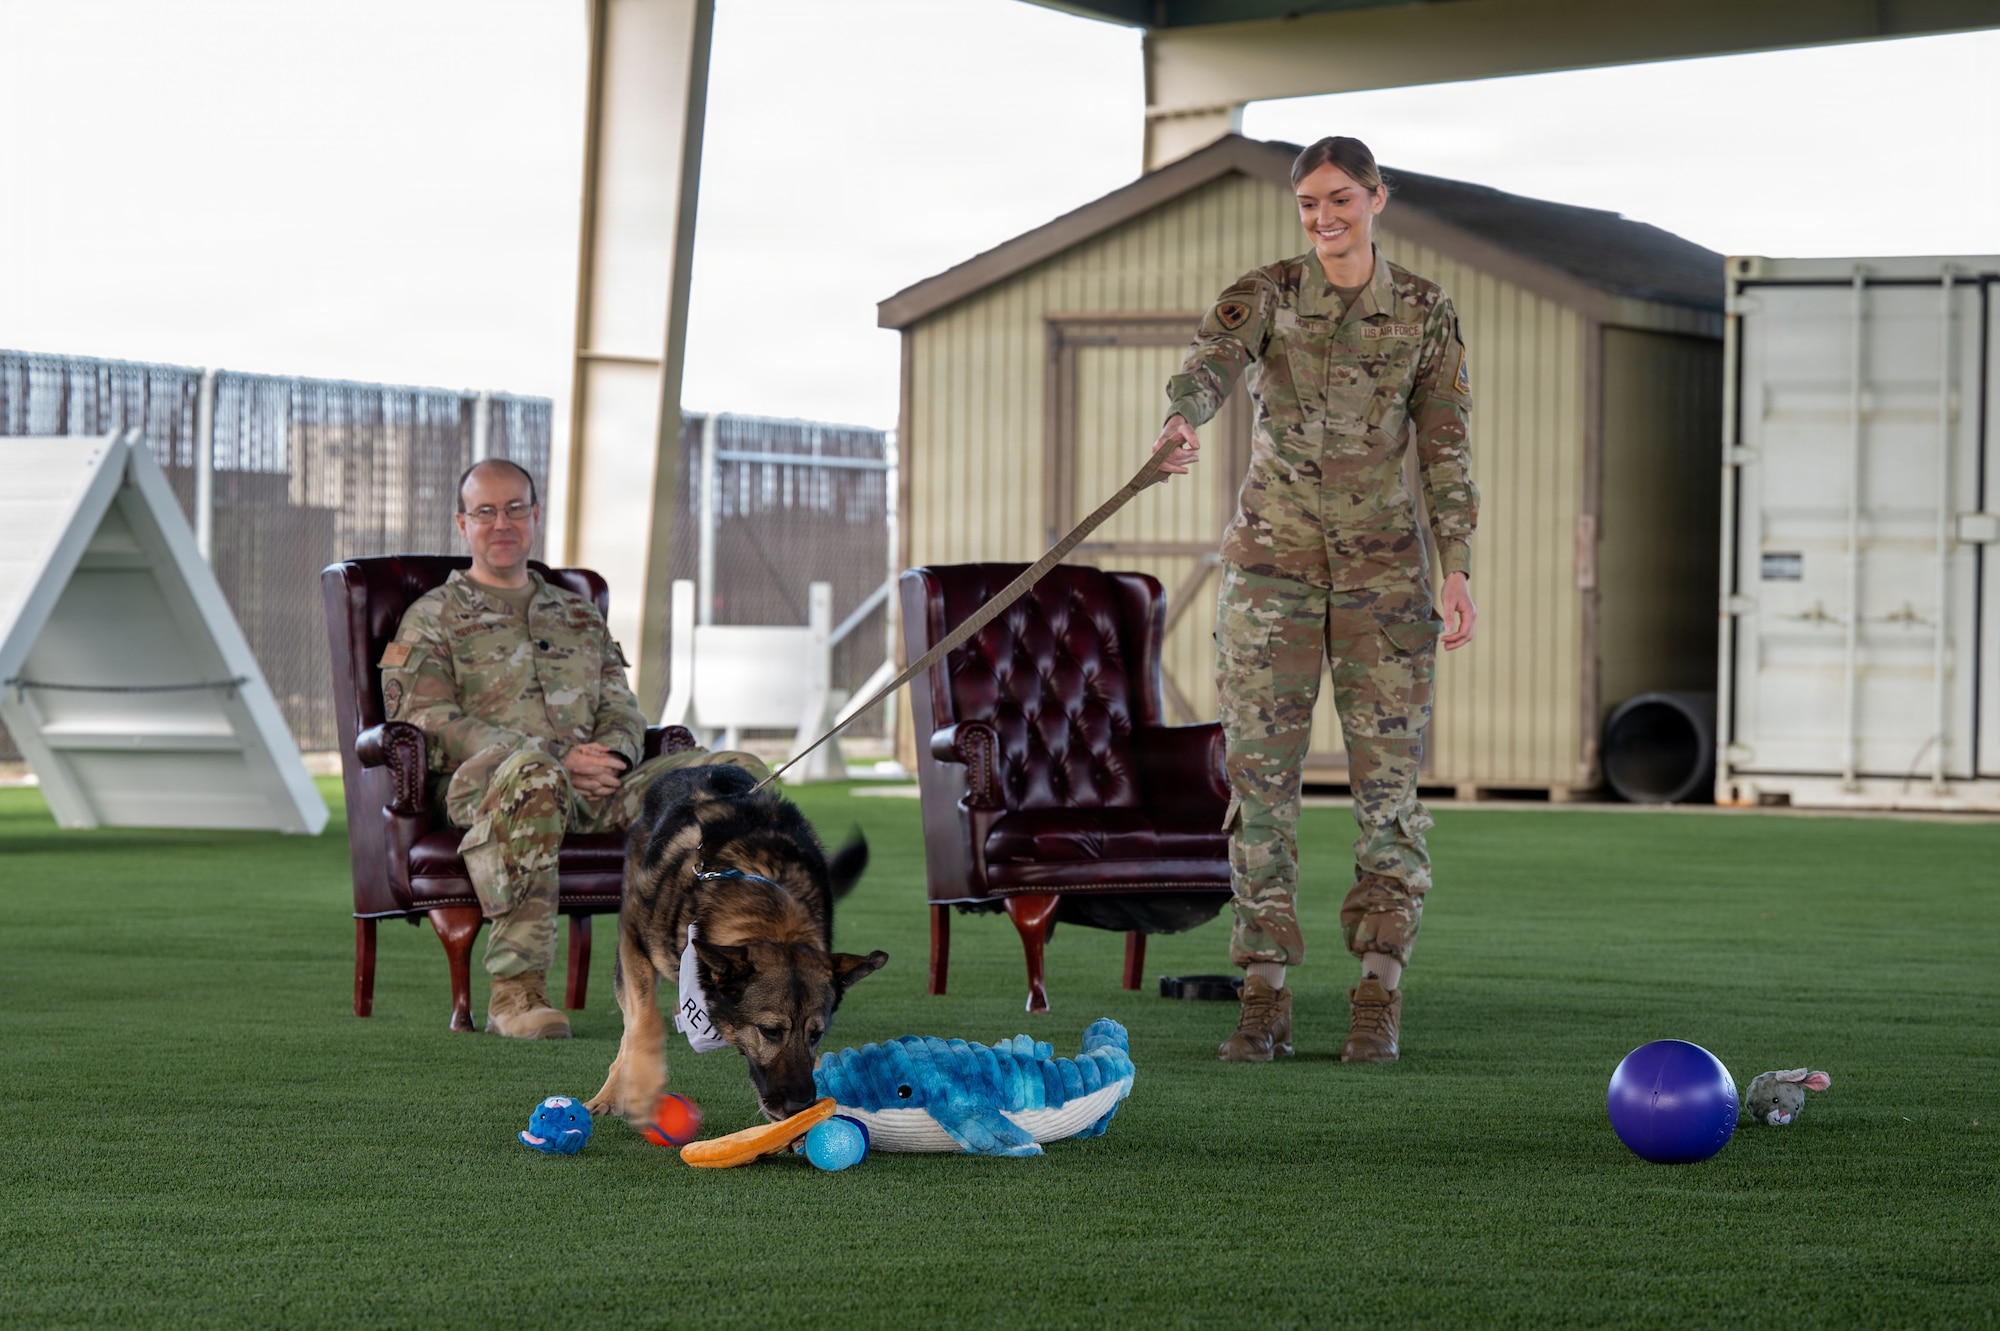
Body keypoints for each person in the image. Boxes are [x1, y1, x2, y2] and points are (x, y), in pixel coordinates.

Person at [1151, 136, 1479, 1064]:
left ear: (1378, 197)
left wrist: (1456, 566)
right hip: (1273, 575)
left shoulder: (1423, 310)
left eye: (1340, 199)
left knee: (1389, 793)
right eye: (1308, 204)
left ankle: (1379, 988)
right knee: (1259, 786)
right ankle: (1263, 997)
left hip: (1385, 581)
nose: (1324, 217)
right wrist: (1184, 416)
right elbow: (1213, 360)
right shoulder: (1268, 292)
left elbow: (1447, 444)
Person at [378, 458, 766, 1038]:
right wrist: (555, 758)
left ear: (535, 516)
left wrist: (611, 757)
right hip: (494, 784)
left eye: (515, 509)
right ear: (462, 523)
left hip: (596, 785)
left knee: (739, 775)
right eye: (485, 511)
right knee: (538, 775)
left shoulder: (578, 613)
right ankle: (515, 994)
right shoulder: (433, 617)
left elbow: (621, 707)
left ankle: (726, 975)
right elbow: (427, 720)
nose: (501, 522)